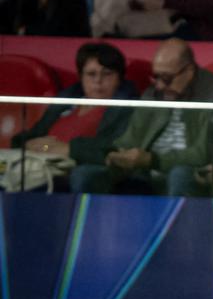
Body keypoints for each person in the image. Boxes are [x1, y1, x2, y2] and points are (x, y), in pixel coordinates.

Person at [72, 39, 213, 196]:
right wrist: (117, 155)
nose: (158, 85)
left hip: (186, 172)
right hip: (145, 170)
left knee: (179, 175)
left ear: (189, 71)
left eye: (166, 78)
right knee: (85, 174)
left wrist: (153, 160)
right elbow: (130, 140)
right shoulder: (153, 94)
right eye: (155, 77)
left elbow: (204, 155)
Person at [10, 42, 136, 192]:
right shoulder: (67, 102)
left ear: (119, 78)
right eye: (91, 74)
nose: (98, 81)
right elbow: (32, 136)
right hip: (38, 164)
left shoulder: (126, 109)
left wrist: (70, 149)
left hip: (69, 170)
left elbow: (115, 149)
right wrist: (30, 144)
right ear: (81, 77)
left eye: (107, 73)